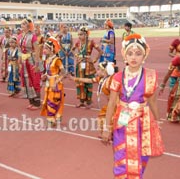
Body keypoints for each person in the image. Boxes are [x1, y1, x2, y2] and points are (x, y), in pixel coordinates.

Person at [102, 33, 164, 178]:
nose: (133, 57)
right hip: (122, 122)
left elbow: (153, 102)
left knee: (140, 158)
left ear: (144, 56)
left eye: (138, 54)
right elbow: (111, 103)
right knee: (122, 157)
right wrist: (106, 127)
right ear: (125, 55)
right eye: (130, 53)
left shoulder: (150, 76)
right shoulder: (117, 77)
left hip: (143, 123)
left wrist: (158, 122)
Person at [71, 61, 115, 137]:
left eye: (99, 69)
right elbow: (89, 80)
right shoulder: (101, 79)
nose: (97, 71)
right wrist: (75, 79)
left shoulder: (112, 80)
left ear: (104, 71)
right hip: (110, 104)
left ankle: (110, 133)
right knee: (103, 117)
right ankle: (107, 133)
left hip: (115, 104)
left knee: (111, 118)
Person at [73, 26, 103, 108]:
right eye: (78, 34)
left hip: (88, 66)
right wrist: (77, 55)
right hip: (79, 65)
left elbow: (100, 51)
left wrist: (94, 60)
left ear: (86, 34)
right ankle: (81, 101)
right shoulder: (78, 42)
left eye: (81, 34)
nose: (79, 36)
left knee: (88, 83)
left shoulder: (91, 42)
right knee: (80, 83)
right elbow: (72, 50)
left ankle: (89, 101)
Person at [40, 39, 66, 126]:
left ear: (51, 49)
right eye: (44, 48)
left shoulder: (57, 60)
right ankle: (53, 119)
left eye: (46, 48)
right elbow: (48, 72)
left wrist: (56, 82)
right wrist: (45, 75)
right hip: (48, 82)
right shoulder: (47, 60)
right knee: (48, 101)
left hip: (55, 84)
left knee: (53, 101)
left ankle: (53, 119)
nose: (44, 50)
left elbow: (64, 73)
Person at [19, 17, 41, 110]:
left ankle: (37, 102)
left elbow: (37, 49)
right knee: (27, 81)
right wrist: (20, 59)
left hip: (32, 61)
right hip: (25, 61)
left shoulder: (33, 36)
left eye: (24, 24)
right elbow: (20, 49)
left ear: (28, 26)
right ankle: (31, 101)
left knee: (34, 81)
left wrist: (36, 64)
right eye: (21, 24)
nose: (22, 25)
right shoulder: (22, 35)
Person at [159, 55, 180, 122]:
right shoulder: (177, 59)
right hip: (175, 78)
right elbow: (168, 73)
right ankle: (172, 114)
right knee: (173, 97)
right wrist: (162, 85)